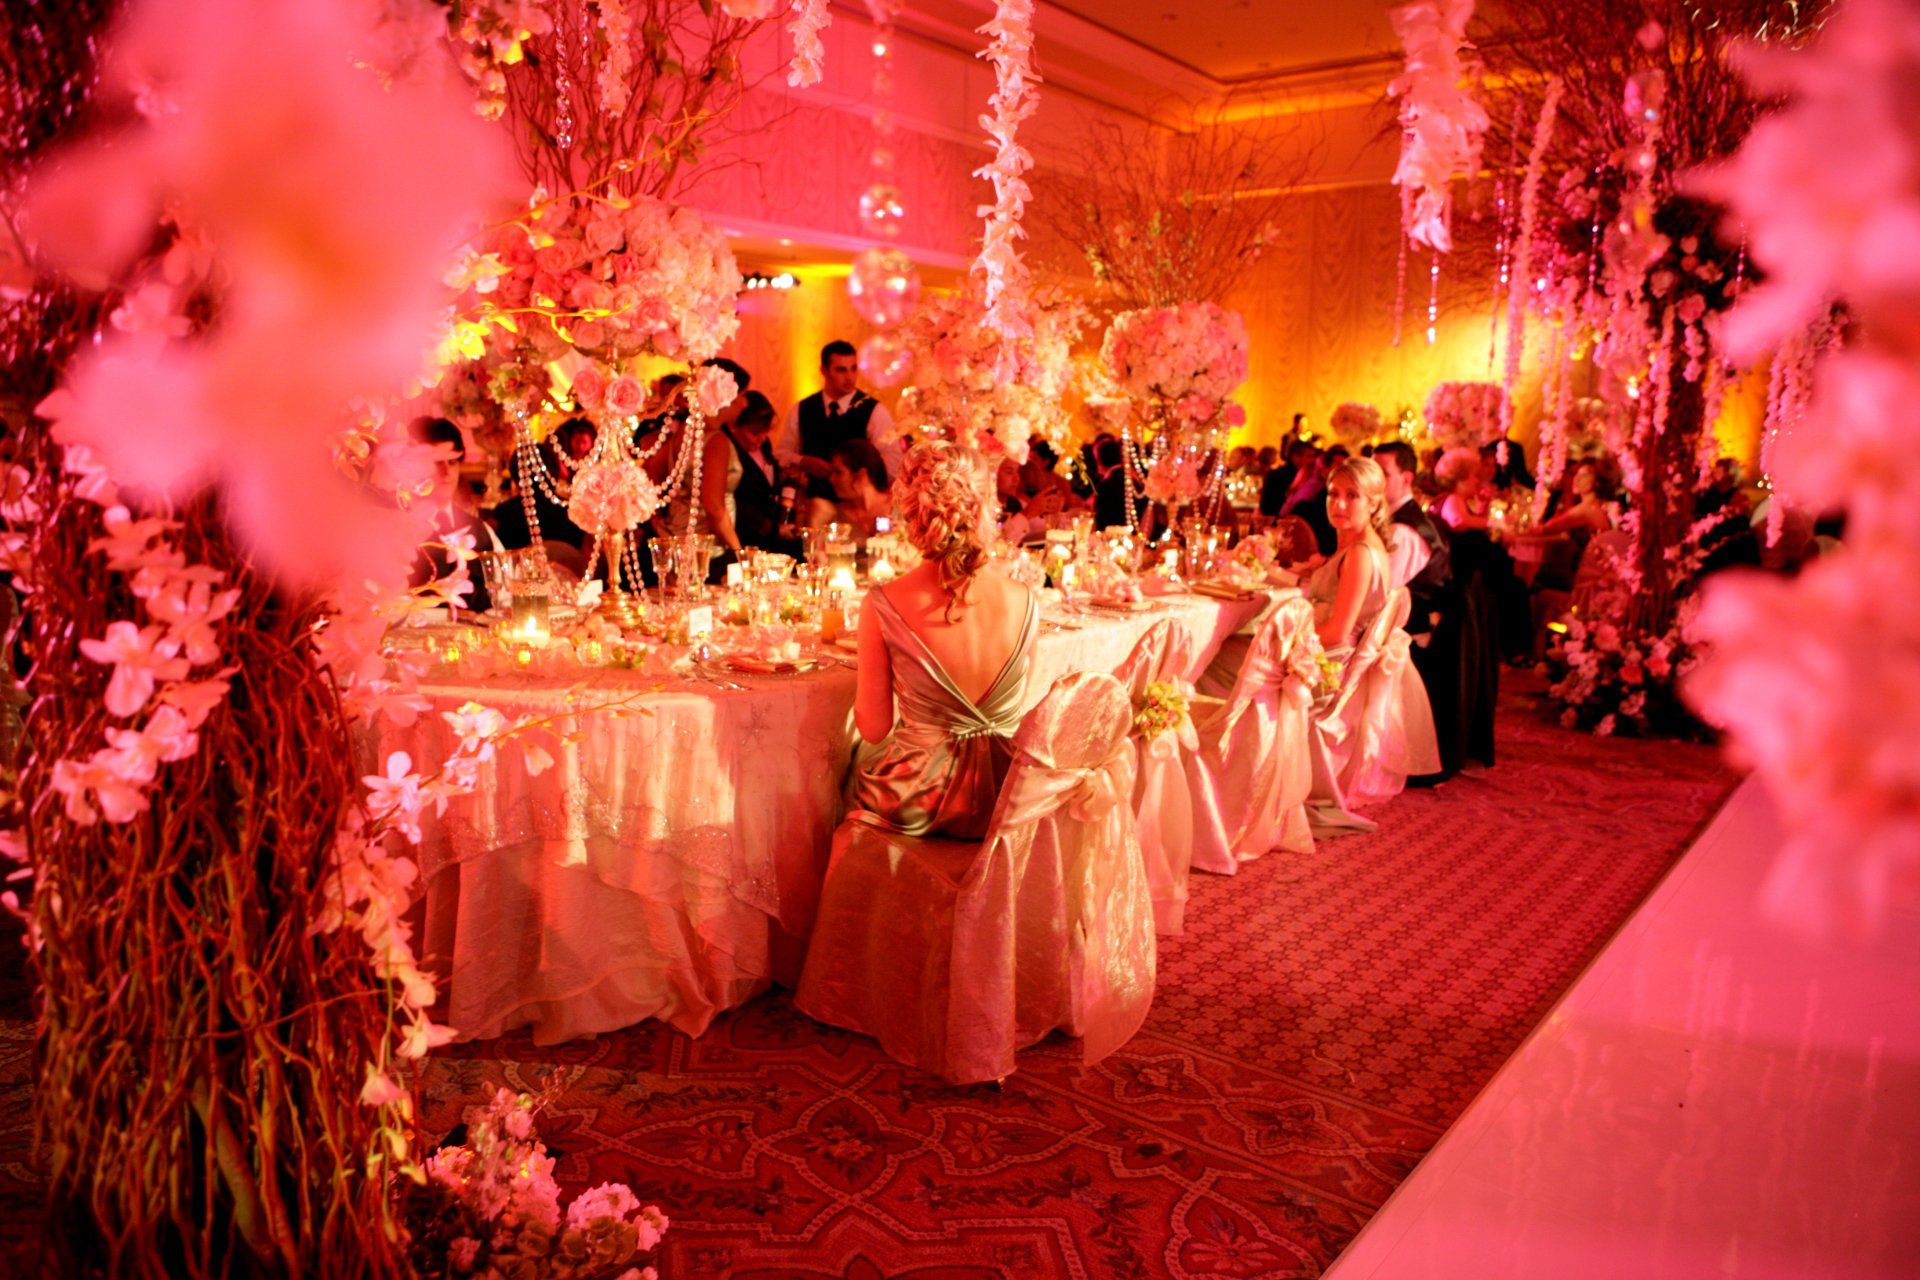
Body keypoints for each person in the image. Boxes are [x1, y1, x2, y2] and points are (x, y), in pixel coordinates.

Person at [849, 441, 1038, 839]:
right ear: (985, 505)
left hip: (919, 800)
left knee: (843, 776)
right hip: (1007, 797)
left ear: (910, 510)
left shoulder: (883, 602)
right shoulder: (1026, 599)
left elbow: (873, 728)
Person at [778, 340, 902, 496]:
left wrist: (863, 481)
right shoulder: (801, 409)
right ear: (824, 371)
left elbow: (893, 459)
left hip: (857, 504)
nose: (850, 377)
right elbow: (782, 453)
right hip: (811, 500)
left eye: (853, 369)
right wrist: (803, 461)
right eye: (841, 370)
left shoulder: (874, 410)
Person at [697, 390, 798, 573]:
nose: (762, 438)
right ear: (736, 426)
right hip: (741, 534)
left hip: (767, 537)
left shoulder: (764, 446)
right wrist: (773, 530)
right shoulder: (724, 446)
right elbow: (730, 500)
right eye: (755, 432)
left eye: (765, 431)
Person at [1304, 456, 1393, 656]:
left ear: (1373, 504)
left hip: (1329, 662)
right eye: (1333, 494)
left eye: (1352, 496)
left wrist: (1287, 641)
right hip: (1323, 650)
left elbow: (1337, 633)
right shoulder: (1359, 544)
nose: (1339, 504)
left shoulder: (1360, 553)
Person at [407, 417, 498, 610]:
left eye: (453, 462)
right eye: (437, 463)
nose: (446, 472)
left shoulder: (480, 530)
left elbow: (502, 595)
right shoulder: (397, 529)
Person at [807, 438, 893, 537]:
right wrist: (815, 524)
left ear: (861, 475)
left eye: (838, 472)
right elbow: (816, 551)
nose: (831, 479)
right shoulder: (833, 514)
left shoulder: (896, 508)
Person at [1434, 447, 1492, 531]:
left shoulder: (1455, 500)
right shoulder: (1453, 499)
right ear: (1462, 478)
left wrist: (1484, 506)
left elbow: (1475, 531)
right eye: (1475, 475)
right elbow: (1458, 521)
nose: (1478, 481)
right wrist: (1491, 523)